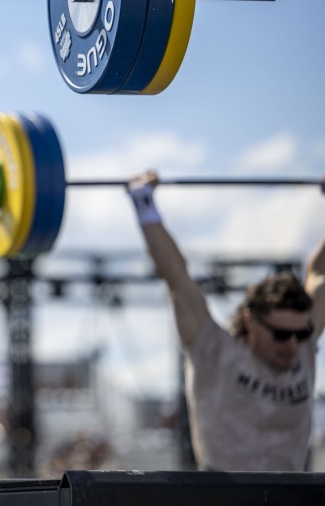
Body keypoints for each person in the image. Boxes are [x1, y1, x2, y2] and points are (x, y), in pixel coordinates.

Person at [126, 170, 325, 471]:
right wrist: (144, 204)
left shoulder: (303, 346)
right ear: (250, 321)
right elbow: (177, 278)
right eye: (281, 335)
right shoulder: (214, 352)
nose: (294, 344)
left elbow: (320, 273)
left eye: (301, 333)